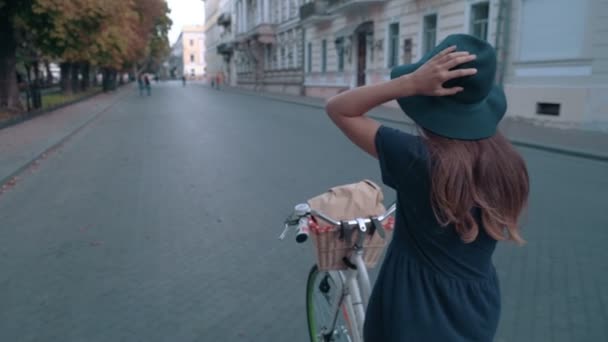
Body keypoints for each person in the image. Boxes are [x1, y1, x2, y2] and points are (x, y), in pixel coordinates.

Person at [325, 34, 529, 341]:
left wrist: (408, 83)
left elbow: (339, 108)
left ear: (427, 101)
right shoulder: (509, 163)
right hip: (476, 301)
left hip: (415, 303)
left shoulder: (418, 158)